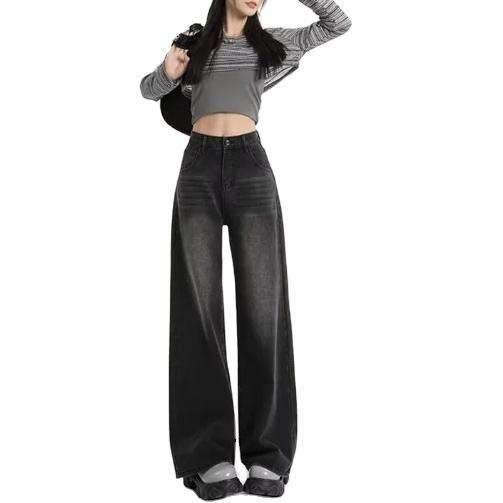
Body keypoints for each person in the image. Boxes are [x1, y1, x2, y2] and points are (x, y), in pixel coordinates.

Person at [140, 0, 351, 498]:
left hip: (251, 168)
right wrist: (169, 71)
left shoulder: (273, 45)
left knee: (263, 309)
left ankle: (268, 455)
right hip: (197, 169)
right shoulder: (196, 45)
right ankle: (207, 456)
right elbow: (148, 90)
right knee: (198, 309)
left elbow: (337, 24)